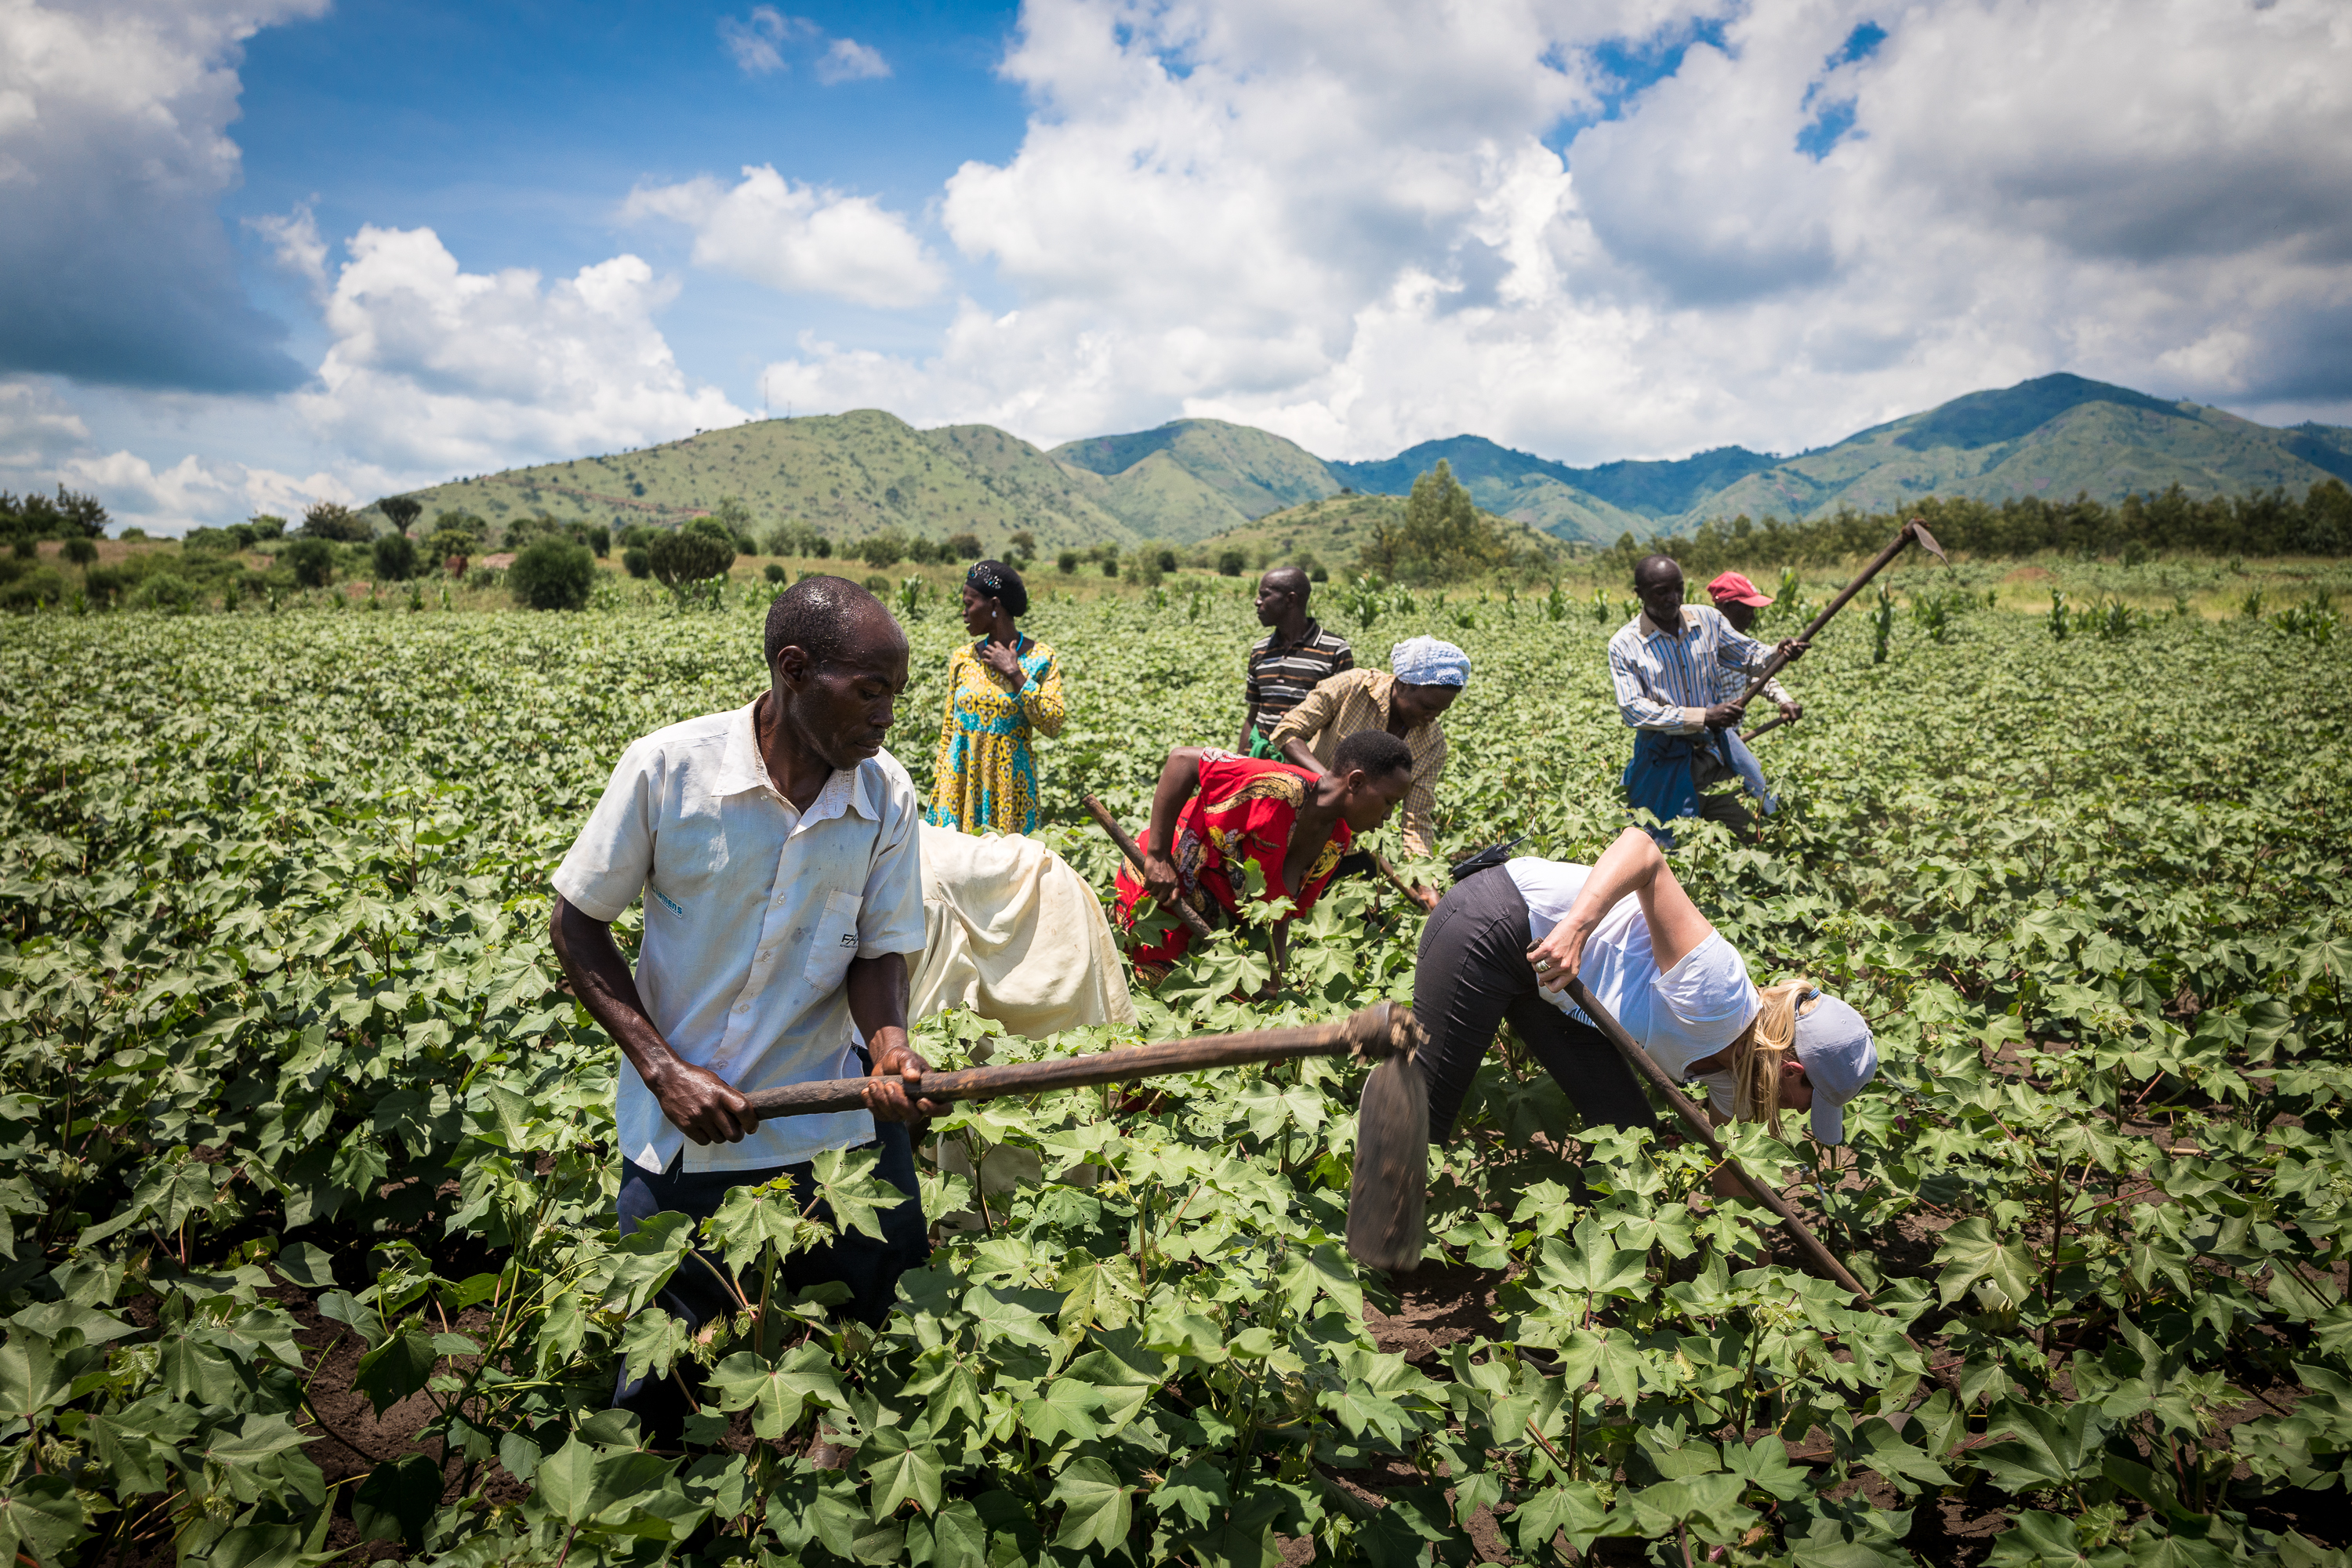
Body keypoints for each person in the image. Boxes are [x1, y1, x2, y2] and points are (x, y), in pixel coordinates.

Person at [547, 575, 939, 1446]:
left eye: (895, 695)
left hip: (829, 1130)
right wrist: (663, 1069)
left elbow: (879, 948)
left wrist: (888, 1050)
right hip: (690, 1132)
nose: (885, 717)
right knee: (661, 1383)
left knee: (877, 1342)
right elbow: (577, 923)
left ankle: (837, 1509)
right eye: (869, 690)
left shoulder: (885, 795)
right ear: (793, 669)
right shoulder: (668, 770)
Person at [1417, 826, 1878, 1162]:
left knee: (1630, 1141)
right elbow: (1641, 849)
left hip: (1554, 987)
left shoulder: (1734, 1074)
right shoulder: (1718, 996)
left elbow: (1728, 1165)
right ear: (1793, 1071)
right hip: (1496, 922)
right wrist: (1576, 930)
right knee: (1426, 1113)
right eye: (1807, 1103)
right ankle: (1373, 1249)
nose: (1798, 1113)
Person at [1112, 731, 1414, 980]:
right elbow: (1183, 760)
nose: (1388, 815)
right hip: (1161, 886)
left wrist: (1275, 974)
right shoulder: (1276, 785)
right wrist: (1157, 856)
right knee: (1152, 987)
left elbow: (1279, 912)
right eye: (1389, 801)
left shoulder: (1336, 842)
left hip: (1215, 920)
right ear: (1356, 782)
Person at [1608, 555, 1807, 839]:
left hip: (1715, 754)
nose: (1673, 598)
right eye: (1661, 592)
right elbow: (1633, 710)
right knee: (1665, 849)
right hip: (1664, 761)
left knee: (1754, 832)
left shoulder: (1708, 620)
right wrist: (1703, 717)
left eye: (1678, 588)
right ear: (1639, 594)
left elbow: (1751, 657)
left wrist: (1779, 652)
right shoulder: (1625, 644)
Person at [1269, 637, 1467, 894]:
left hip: (1352, 846)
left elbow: (1416, 818)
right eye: (1427, 707)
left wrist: (1425, 881)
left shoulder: (1432, 743)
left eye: (1440, 712)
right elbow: (1288, 732)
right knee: (1280, 896)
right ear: (1404, 683)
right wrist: (1331, 783)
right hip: (1301, 822)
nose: (1431, 718)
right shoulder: (1353, 686)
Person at [929, 560, 1065, 836]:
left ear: (994, 605)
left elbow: (1053, 724)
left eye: (969, 604)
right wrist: (940, 783)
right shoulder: (963, 657)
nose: (964, 613)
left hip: (1009, 788)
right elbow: (949, 728)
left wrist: (1015, 673)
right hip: (959, 783)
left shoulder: (1041, 659)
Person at [1238, 566, 1353, 754]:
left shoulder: (1335, 650)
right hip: (1260, 756)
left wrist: (1308, 715)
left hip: (1308, 760)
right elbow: (1253, 715)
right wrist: (1239, 762)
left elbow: (1345, 718)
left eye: (1264, 595)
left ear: (1290, 600)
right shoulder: (1260, 650)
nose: (1257, 602)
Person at [1705, 572, 1801, 726]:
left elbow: (1756, 677)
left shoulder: (1741, 650)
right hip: (1706, 736)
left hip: (1730, 731)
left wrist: (1784, 700)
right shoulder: (1705, 647)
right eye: (1747, 609)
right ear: (1727, 606)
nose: (1753, 617)